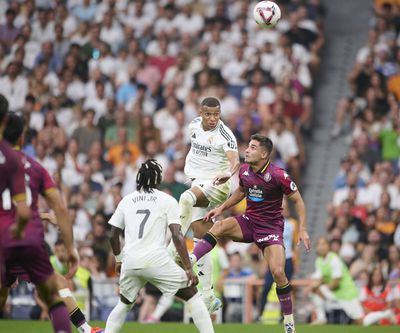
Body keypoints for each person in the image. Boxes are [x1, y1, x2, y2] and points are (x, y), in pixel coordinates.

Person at [190, 134, 311, 333]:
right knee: (219, 226)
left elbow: (298, 200)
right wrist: (221, 208)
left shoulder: (279, 175)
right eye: (248, 147)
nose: (247, 150)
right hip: (249, 222)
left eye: (253, 148)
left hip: (271, 229)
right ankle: (190, 259)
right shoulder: (245, 170)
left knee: (278, 272)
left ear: (264, 153)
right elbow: (240, 192)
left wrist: (303, 229)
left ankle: (289, 322)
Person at [0, 113, 100, 333]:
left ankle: (86, 328)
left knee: (3, 291)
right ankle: (84, 328)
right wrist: (69, 246)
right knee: (56, 289)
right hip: (26, 239)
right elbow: (60, 209)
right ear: (23, 137)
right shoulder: (35, 167)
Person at [104, 159, 213, 333]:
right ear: (158, 179)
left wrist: (118, 260)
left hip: (130, 261)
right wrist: (188, 268)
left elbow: (113, 234)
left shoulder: (126, 200)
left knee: (124, 304)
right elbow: (177, 235)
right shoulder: (167, 200)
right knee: (192, 295)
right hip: (156, 260)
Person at [168, 96, 240, 312]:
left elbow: (235, 160)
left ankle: (173, 250)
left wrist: (228, 173)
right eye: (208, 114)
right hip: (198, 182)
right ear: (201, 113)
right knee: (202, 238)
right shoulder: (193, 126)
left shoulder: (225, 134)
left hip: (218, 184)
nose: (212, 119)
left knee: (185, 198)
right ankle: (208, 297)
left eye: (216, 114)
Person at [309, 237, 364, 325]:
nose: (321, 247)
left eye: (324, 244)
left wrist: (319, 286)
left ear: (329, 247)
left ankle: (384, 315)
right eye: (319, 244)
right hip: (334, 294)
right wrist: (313, 286)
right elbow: (319, 279)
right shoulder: (319, 261)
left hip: (347, 294)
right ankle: (321, 318)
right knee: (313, 290)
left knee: (361, 322)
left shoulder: (334, 260)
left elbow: (336, 283)